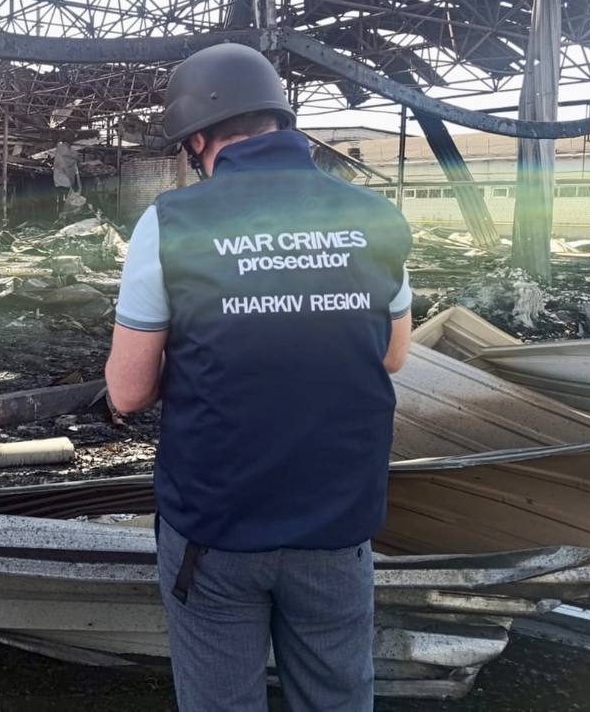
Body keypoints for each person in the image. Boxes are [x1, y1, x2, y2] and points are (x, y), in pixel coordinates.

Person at [105, 43, 412, 712]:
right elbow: (392, 356)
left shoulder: (171, 222)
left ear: (197, 140)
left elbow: (127, 391)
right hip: (337, 522)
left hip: (218, 525)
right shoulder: (375, 216)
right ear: (279, 118)